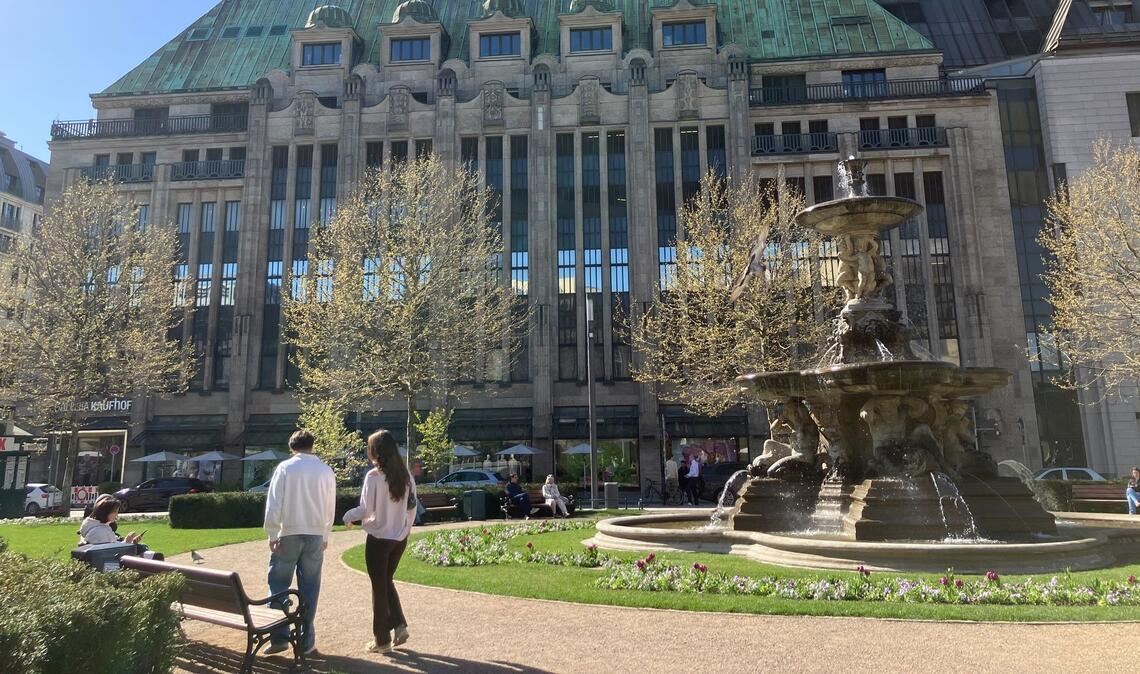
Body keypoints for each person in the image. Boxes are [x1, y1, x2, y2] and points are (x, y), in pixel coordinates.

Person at [263, 430, 337, 657]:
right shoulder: (326, 471)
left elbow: (274, 502)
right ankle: (306, 641)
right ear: (312, 445)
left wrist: (272, 533)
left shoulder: (285, 468)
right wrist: (325, 534)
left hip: (289, 532)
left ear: (292, 447)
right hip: (315, 534)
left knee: (279, 585)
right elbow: (329, 505)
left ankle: (280, 637)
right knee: (310, 588)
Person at [343, 430, 416, 655]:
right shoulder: (405, 476)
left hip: (378, 539)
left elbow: (366, 509)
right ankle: (399, 624)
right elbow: (412, 507)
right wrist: (405, 530)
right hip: (398, 539)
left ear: (374, 451)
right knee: (385, 581)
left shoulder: (374, 476)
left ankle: (381, 639)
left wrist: (348, 516)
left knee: (379, 586)